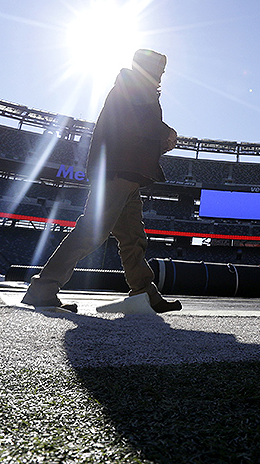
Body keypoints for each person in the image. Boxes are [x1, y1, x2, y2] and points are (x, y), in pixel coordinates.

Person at [22, 49, 182, 313]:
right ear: (149, 68)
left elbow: (134, 133)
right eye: (160, 69)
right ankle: (43, 288)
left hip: (128, 173)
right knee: (92, 231)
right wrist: (166, 133)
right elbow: (134, 124)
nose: (162, 74)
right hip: (118, 171)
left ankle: (145, 293)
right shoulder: (134, 86)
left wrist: (161, 142)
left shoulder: (137, 88)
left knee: (133, 238)